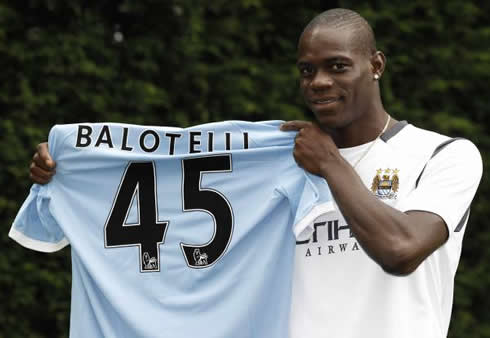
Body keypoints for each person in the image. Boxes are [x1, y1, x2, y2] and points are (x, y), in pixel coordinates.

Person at [28, 8, 482, 338]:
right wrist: (76, 168)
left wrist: (329, 164)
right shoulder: (280, 160)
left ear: (376, 65)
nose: (319, 82)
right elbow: (168, 194)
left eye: (337, 66)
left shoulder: (443, 154)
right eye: (307, 71)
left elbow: (401, 250)